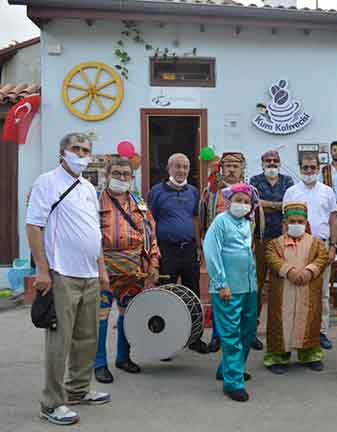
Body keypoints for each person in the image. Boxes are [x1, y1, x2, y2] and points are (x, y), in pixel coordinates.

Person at [26, 132, 110, 426]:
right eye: (76, 148)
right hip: (61, 273)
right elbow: (34, 225)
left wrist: (101, 268)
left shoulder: (88, 187)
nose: (81, 153)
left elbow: (94, 231)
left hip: (89, 273)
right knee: (59, 341)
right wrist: (42, 268)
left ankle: (77, 389)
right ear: (62, 152)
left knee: (87, 337)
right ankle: (51, 402)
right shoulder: (46, 182)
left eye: (85, 150)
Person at [93, 158, 160, 384]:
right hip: (102, 268)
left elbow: (151, 234)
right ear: (106, 175)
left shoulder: (139, 203)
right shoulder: (94, 201)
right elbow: (88, 237)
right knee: (101, 316)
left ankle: (123, 357)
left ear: (132, 178)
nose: (122, 178)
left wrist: (153, 263)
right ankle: (99, 363)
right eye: (117, 173)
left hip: (133, 270)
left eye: (126, 174)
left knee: (127, 313)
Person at [199, 151, 264, 352]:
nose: (231, 169)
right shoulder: (210, 191)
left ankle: (248, 334)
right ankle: (218, 336)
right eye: (227, 165)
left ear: (242, 168)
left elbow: (259, 222)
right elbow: (203, 223)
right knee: (221, 295)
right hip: (220, 254)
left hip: (243, 256)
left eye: (236, 165)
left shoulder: (251, 191)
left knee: (246, 297)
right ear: (221, 168)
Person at [147, 153, 209, 354]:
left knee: (193, 294)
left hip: (189, 249)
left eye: (185, 167)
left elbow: (195, 220)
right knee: (166, 295)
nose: (181, 171)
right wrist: (153, 255)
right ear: (169, 168)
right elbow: (150, 222)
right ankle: (166, 342)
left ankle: (195, 338)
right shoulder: (156, 192)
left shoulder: (193, 192)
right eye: (177, 166)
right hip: (166, 251)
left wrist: (199, 247)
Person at [203, 183, 258, 402]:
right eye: (238, 200)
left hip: (248, 287)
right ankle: (233, 382)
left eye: (246, 202)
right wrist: (220, 283)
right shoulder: (220, 222)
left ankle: (228, 368)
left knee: (247, 330)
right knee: (231, 334)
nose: (242, 205)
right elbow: (211, 251)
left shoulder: (247, 223)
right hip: (227, 288)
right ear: (228, 202)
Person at [264, 202, 330, 374]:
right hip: (284, 291)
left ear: (306, 223)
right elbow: (272, 259)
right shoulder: (275, 243)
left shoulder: (316, 243)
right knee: (280, 322)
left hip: (307, 289)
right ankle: (278, 357)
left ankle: (310, 355)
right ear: (285, 223)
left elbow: (322, 258)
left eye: (300, 221)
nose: (296, 225)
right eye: (292, 221)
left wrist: (309, 271)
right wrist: (290, 271)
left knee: (309, 320)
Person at [283, 153, 337, 350]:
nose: (309, 171)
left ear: (318, 168)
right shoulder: (291, 192)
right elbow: (285, 223)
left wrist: (333, 246)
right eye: (305, 168)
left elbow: (333, 220)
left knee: (322, 292)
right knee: (298, 291)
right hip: (297, 246)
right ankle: (297, 331)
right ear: (300, 168)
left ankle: (321, 332)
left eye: (312, 167)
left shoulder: (327, 191)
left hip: (321, 245)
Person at [250, 150, 294, 351]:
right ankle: (252, 330)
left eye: (275, 161)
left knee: (280, 284)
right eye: (268, 160)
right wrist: (279, 205)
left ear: (280, 163)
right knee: (257, 284)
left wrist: (269, 206)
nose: (272, 163)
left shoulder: (287, 181)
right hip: (260, 239)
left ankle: (278, 327)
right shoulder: (254, 180)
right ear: (262, 163)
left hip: (282, 241)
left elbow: (291, 204)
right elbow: (254, 203)